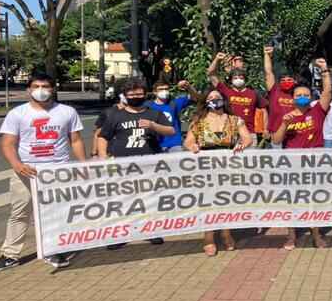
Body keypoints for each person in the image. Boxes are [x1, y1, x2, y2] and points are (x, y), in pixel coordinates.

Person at [0, 74, 86, 275]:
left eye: (45, 86)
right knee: (20, 213)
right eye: (36, 86)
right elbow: (8, 143)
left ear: (53, 89)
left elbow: (76, 141)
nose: (41, 89)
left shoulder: (67, 112)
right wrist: (17, 164)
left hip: (58, 171)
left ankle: (56, 249)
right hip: (27, 171)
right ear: (28, 90)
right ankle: (10, 255)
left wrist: (83, 165)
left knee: (57, 213)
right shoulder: (17, 113)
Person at [97, 78, 175, 249]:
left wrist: (154, 126)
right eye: (131, 94)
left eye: (139, 93)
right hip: (122, 166)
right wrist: (103, 157)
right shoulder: (115, 115)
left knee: (149, 199)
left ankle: (151, 231)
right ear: (125, 96)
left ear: (145, 94)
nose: (135, 96)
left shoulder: (153, 113)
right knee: (123, 201)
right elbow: (103, 136)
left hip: (149, 165)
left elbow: (171, 131)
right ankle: (121, 234)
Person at [272, 58, 332, 250]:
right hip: (292, 163)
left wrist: (324, 71)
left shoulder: (317, 111)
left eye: (306, 94)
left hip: (314, 162)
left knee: (312, 200)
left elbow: (328, 92)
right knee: (292, 200)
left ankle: (316, 236)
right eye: (299, 94)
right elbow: (276, 141)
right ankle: (291, 237)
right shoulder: (287, 115)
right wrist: (284, 124)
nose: (302, 97)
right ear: (293, 98)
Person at [184, 90, 252, 256]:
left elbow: (247, 138)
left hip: (228, 165)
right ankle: (208, 237)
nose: (215, 100)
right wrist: (192, 146)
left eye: (218, 97)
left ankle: (226, 233)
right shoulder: (198, 121)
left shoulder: (234, 120)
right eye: (211, 98)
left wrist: (242, 145)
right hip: (206, 166)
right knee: (208, 202)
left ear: (224, 100)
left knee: (225, 201)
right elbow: (188, 140)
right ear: (206, 102)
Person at [208, 52, 265, 138]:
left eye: (241, 78)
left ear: (245, 79)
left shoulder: (253, 93)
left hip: (250, 134)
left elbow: (264, 110)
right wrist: (217, 59)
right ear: (231, 80)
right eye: (235, 78)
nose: (238, 79)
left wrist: (265, 129)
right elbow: (211, 74)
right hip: (230, 133)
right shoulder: (226, 91)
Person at [146, 79, 199, 152]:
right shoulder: (148, 105)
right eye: (161, 89)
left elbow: (196, 98)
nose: (164, 91)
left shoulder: (174, 103)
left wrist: (188, 86)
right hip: (155, 144)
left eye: (166, 89)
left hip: (175, 144)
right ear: (155, 92)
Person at [263, 46, 298, 147]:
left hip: (294, 134)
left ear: (295, 81)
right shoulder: (275, 91)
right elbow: (268, 72)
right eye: (283, 80)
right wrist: (267, 55)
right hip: (275, 133)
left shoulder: (298, 94)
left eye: (289, 80)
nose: (286, 82)